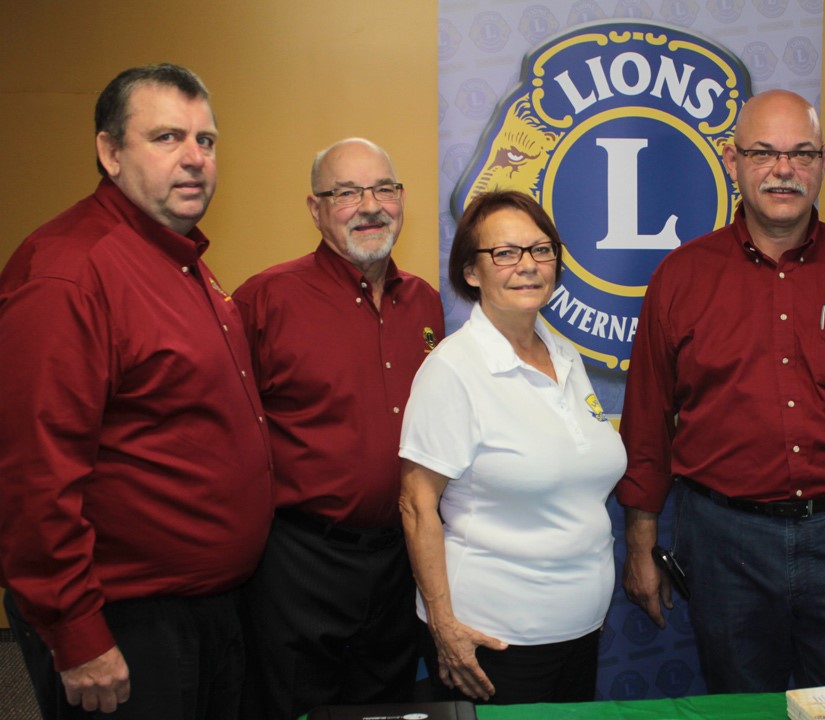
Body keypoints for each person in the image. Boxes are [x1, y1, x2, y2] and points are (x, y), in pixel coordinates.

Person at [616, 89, 825, 693]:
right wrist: (642, 544)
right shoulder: (681, 278)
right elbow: (646, 422)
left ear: (824, 161)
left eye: (801, 154)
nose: (784, 170)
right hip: (724, 544)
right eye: (764, 153)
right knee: (744, 708)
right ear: (732, 159)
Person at [0, 64, 272, 719]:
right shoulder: (70, 273)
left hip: (203, 609)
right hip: (126, 625)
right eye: (167, 137)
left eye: (206, 141)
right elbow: (33, 475)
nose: (194, 158)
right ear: (110, 153)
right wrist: (76, 635)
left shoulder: (179, 262)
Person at [233, 138, 445, 719]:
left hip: (399, 559)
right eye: (346, 193)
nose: (369, 205)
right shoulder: (265, 299)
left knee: (386, 705)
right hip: (299, 560)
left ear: (402, 199)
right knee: (294, 705)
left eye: (383, 189)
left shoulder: (426, 304)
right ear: (315, 208)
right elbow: (226, 432)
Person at [399, 190, 626, 705]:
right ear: (472, 272)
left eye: (540, 250)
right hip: (493, 641)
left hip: (578, 632)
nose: (527, 266)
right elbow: (416, 506)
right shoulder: (452, 370)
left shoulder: (562, 351)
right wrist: (445, 629)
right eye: (505, 253)